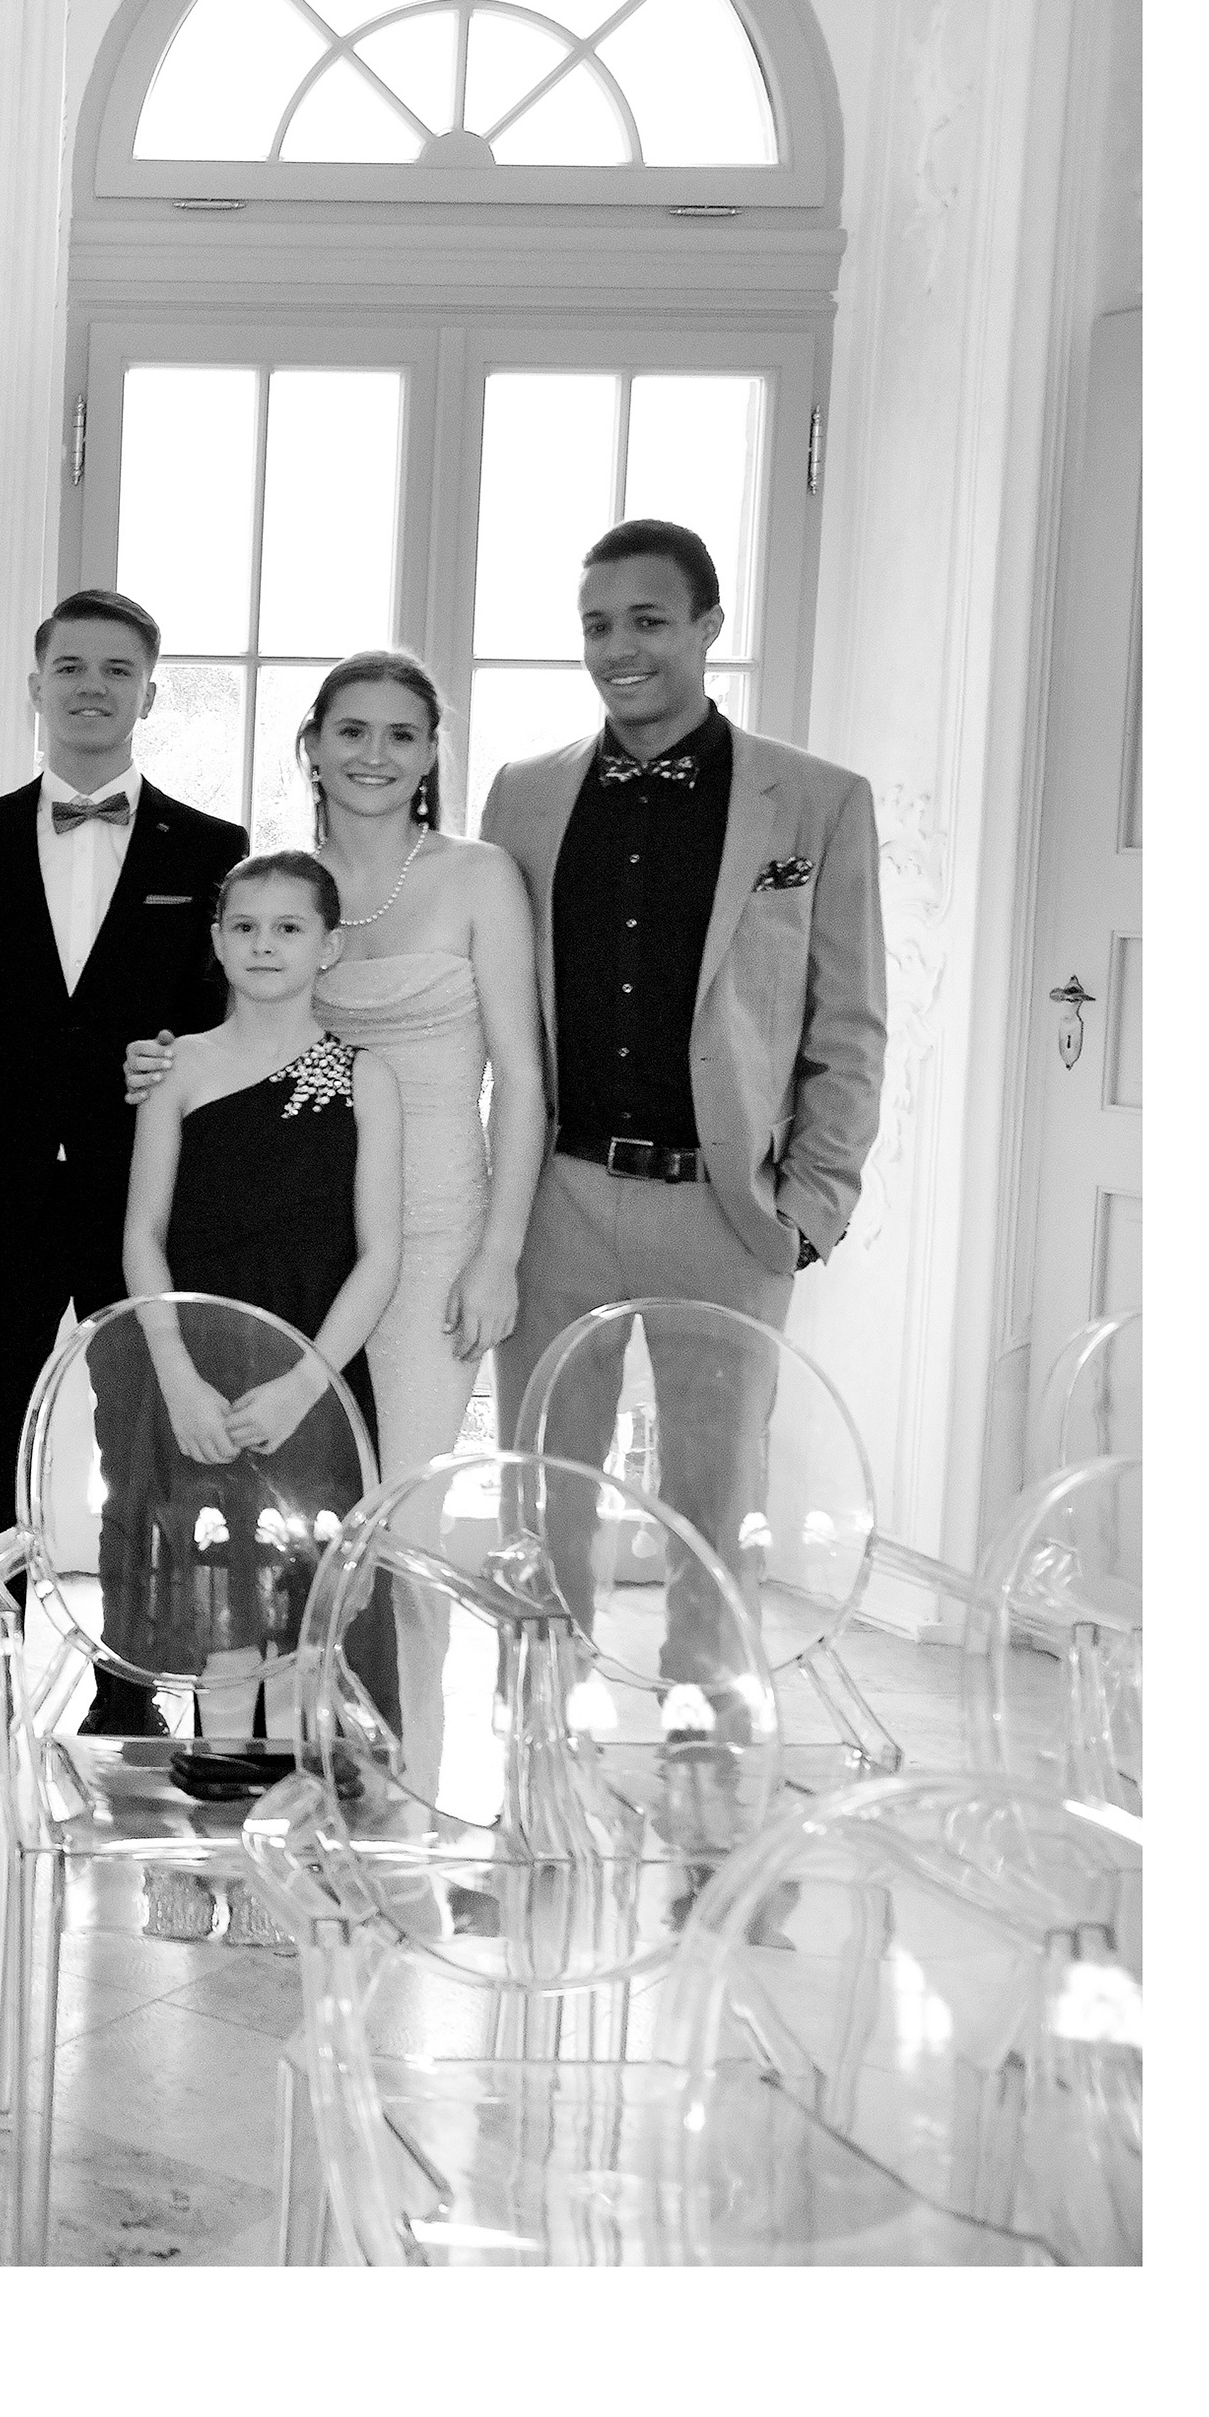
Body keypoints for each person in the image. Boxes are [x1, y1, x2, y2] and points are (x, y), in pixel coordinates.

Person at [479, 518, 887, 1691]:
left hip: (728, 1210)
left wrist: (813, 1205)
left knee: (717, 1501)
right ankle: (537, 1726)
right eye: (598, 625)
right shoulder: (523, 795)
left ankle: (709, 1743)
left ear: (709, 625)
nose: (620, 648)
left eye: (648, 621)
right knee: (541, 1491)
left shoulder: (818, 802)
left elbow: (850, 1023)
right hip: (555, 1195)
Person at [0, 588, 243, 1763]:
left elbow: (229, 1023)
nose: (91, 687)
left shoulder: (213, 851)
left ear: (149, 694)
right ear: (36, 685)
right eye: (70, 666)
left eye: (118, 669)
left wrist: (179, 1057)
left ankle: (135, 1683)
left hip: (142, 1200)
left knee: (145, 1445)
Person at [125, 652, 544, 1475]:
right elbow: (240, 1042)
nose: (374, 755)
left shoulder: (480, 876)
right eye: (352, 731)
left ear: (430, 752)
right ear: (313, 744)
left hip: (433, 1231)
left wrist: (499, 1255)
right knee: (296, 1499)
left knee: (403, 1494)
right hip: (298, 1235)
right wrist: (157, 1057)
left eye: (401, 735)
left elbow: (523, 1080)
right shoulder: (284, 890)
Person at [117, 852, 402, 1730]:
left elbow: (381, 1255)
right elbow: (142, 1237)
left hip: (311, 1383)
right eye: (244, 926)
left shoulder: (364, 1076)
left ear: (329, 947)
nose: (264, 945)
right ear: (216, 941)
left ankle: (292, 1784)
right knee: (219, 1612)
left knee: (304, 1613)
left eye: (288, 928)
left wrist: (304, 1383)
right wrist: (177, 1378)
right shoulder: (178, 1069)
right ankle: (222, 1779)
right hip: (200, 1379)